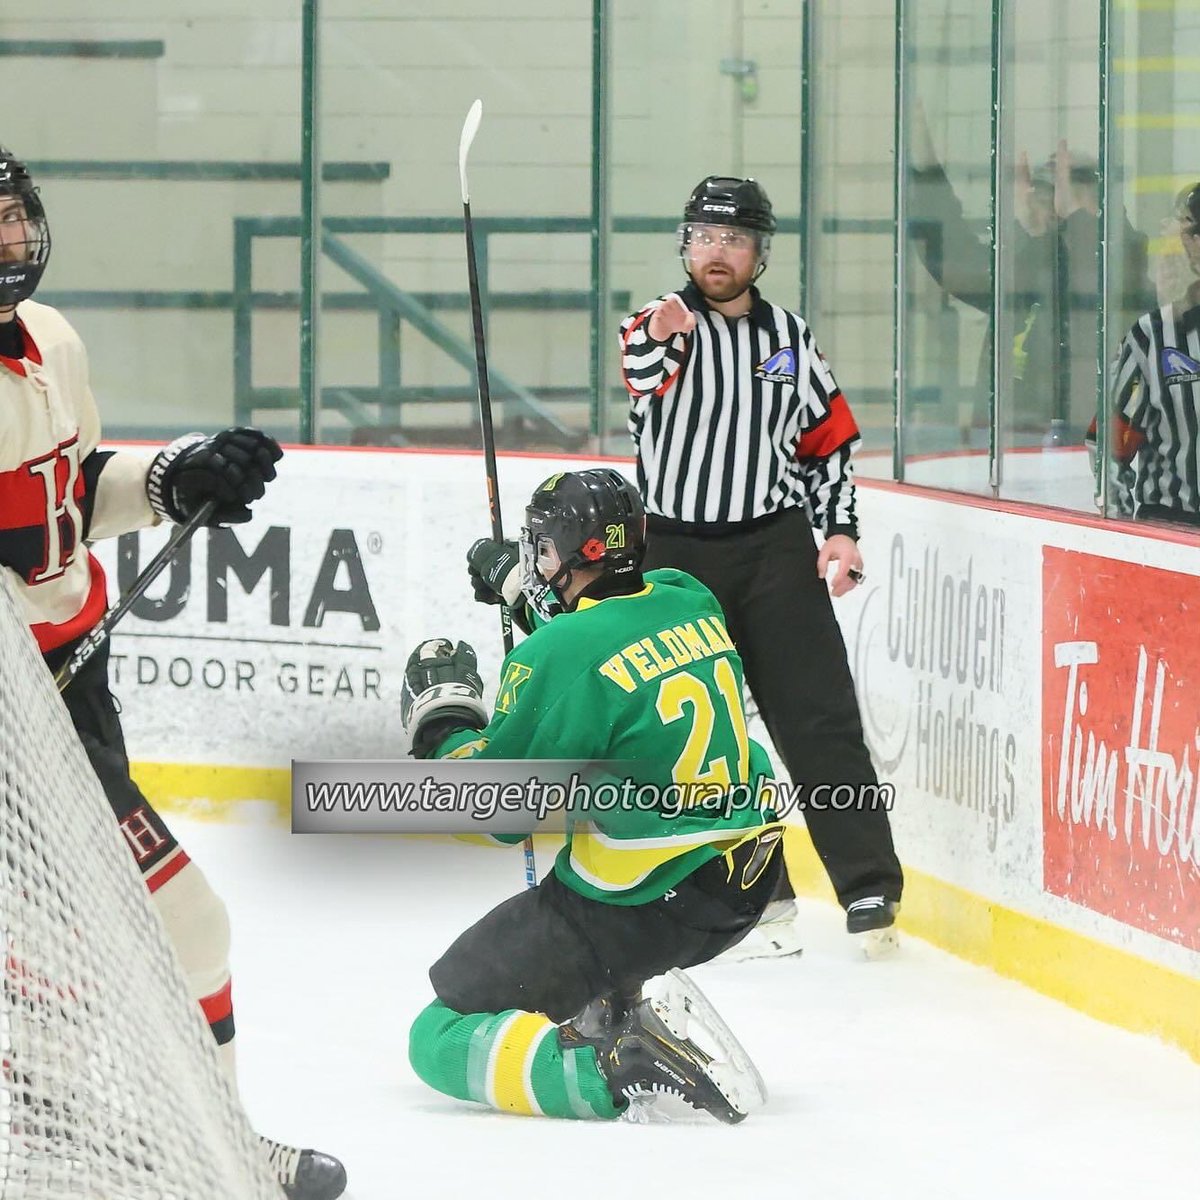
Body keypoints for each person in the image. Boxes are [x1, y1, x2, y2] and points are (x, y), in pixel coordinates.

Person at [0, 148, 345, 1200]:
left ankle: (56, 1120)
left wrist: (169, 476)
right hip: (15, 716)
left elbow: (69, 490)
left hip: (71, 696)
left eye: (16, 216)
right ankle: (206, 1148)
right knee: (176, 922)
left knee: (71, 936)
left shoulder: (51, 342)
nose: (13, 240)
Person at [404, 468, 784, 1123]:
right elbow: (604, 647)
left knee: (435, 1035)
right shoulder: (688, 597)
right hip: (746, 876)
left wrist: (442, 724)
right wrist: (523, 591)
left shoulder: (557, 652)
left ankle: (606, 1070)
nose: (537, 558)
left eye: (543, 548)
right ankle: (616, 1000)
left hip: (651, 902)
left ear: (569, 552)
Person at [617, 175, 903, 958]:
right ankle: (757, 890)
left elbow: (826, 443)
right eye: (704, 237)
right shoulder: (658, 326)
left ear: (759, 253)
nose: (717, 252)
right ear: (684, 244)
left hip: (774, 546)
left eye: (734, 239)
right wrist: (663, 331)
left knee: (818, 716)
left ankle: (868, 884)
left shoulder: (789, 338)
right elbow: (640, 372)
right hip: (674, 555)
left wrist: (839, 531)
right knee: (700, 733)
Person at [908, 105, 1153, 443]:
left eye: (1065, 187)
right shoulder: (1028, 258)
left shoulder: (1125, 256)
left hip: (1092, 447)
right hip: (1013, 445)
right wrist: (925, 166)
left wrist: (1076, 221)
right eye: (1046, 189)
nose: (1053, 201)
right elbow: (955, 264)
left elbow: (1110, 289)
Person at [1089, 181, 1200, 527]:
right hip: (1173, 529)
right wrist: (1128, 543)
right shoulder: (1152, 337)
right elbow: (1108, 446)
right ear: (1192, 244)